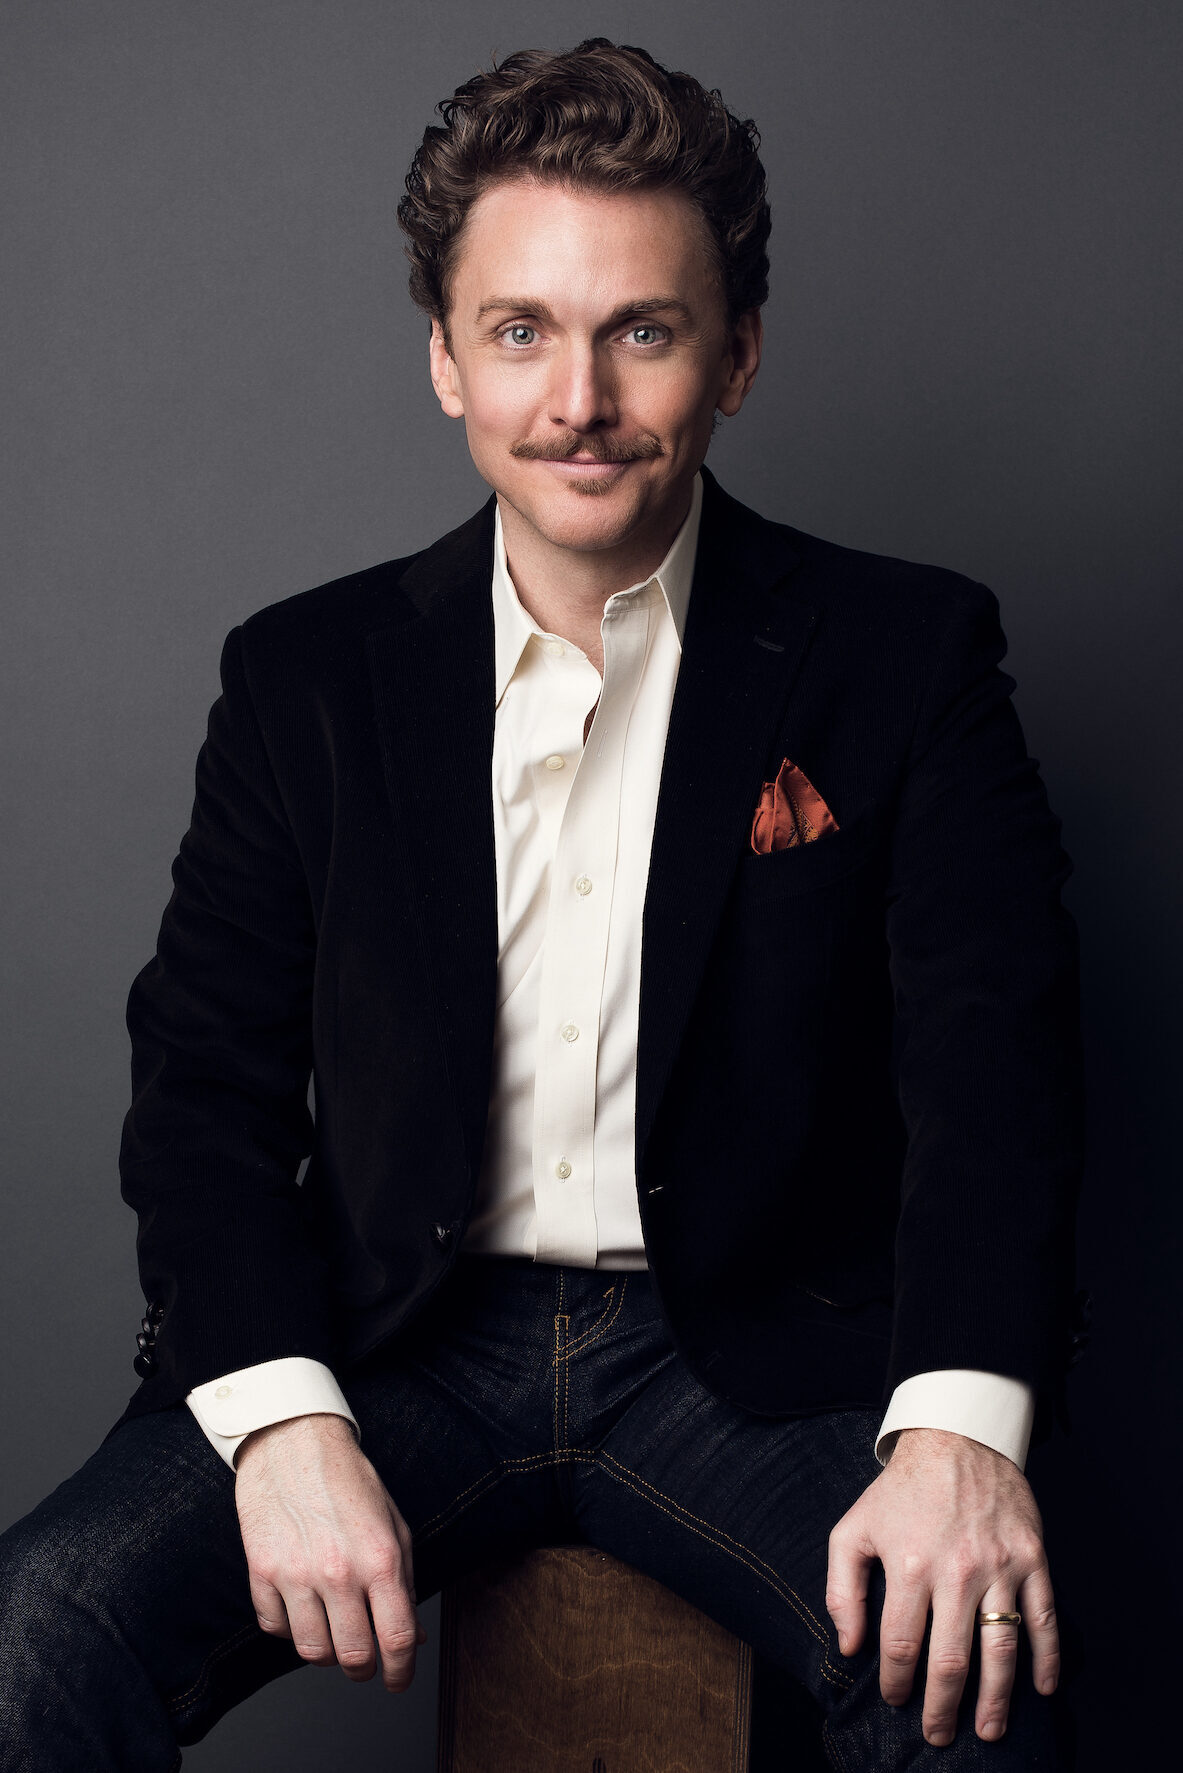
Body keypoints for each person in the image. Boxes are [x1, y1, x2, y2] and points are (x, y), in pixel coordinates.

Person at [0, 37, 1084, 1771]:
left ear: (735, 356)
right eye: (520, 331)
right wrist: (281, 1416)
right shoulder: (306, 678)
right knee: (31, 1635)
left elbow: (995, 1072)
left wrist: (962, 1430)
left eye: (640, 330)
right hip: (400, 1340)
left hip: (746, 1360)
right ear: (445, 358)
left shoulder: (904, 655)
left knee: (971, 1695)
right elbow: (200, 1086)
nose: (577, 397)